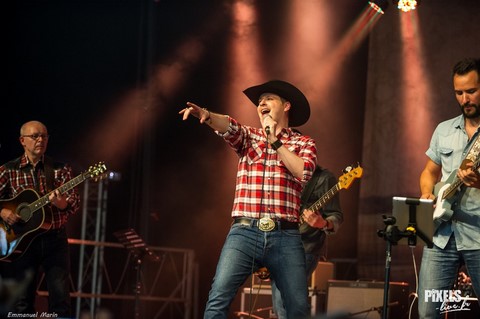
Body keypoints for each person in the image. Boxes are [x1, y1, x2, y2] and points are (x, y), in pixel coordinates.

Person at [180, 80, 317, 319]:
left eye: (268, 99)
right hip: (245, 232)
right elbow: (229, 126)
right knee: (217, 299)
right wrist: (206, 114)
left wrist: (274, 140)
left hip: (286, 236)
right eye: (259, 101)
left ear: (286, 106)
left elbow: (303, 172)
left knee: (298, 309)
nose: (261, 103)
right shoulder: (250, 137)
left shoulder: (303, 143)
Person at [418, 58, 480, 318]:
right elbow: (429, 172)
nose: (465, 99)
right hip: (442, 235)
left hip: (478, 236)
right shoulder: (444, 130)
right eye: (459, 92)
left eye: (471, 91)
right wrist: (426, 192)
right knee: (427, 312)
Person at [0, 121, 80, 317]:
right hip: (22, 242)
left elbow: (74, 201)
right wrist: (2, 211)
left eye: (44, 136)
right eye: (35, 136)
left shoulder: (60, 169)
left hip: (55, 240)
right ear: (22, 141)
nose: (40, 140)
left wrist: (62, 204)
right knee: (22, 301)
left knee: (60, 299)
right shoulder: (8, 170)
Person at [271, 165, 343, 319]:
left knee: (284, 301)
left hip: (305, 247)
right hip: (278, 245)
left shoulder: (323, 178)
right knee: (280, 307)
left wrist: (322, 223)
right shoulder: (281, 174)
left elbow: (336, 215)